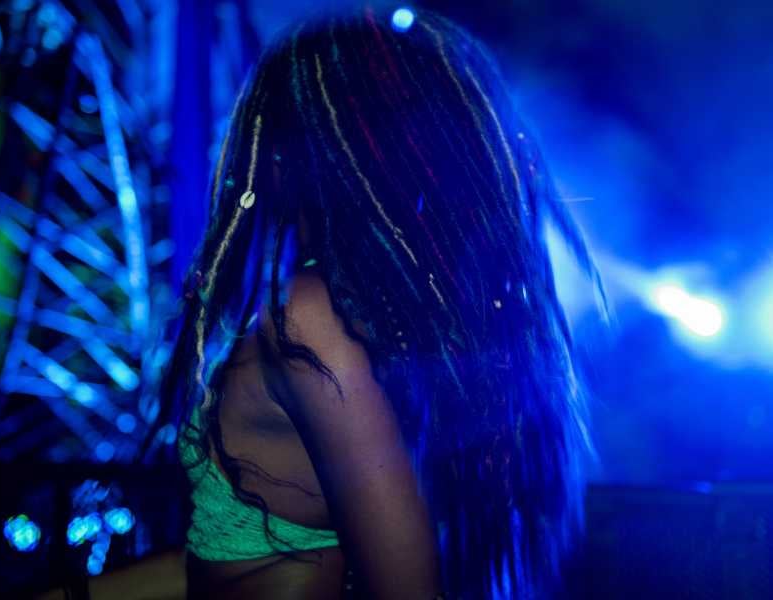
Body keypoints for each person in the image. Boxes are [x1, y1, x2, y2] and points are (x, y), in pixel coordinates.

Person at [146, 6, 604, 599]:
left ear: (304, 152)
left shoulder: (310, 322)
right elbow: (226, 568)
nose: (252, 155)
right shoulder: (377, 317)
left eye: (268, 128)